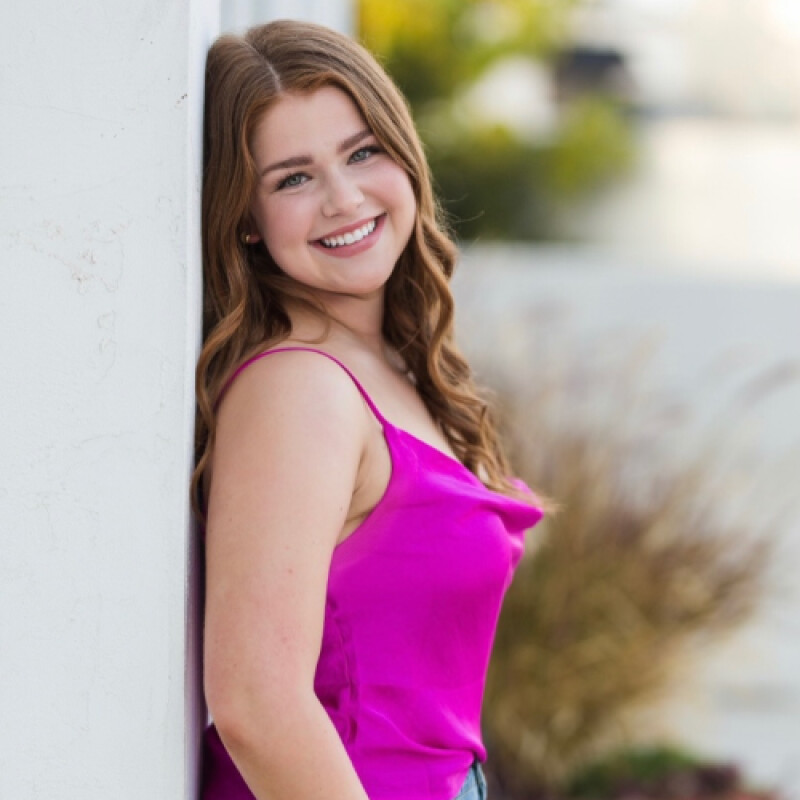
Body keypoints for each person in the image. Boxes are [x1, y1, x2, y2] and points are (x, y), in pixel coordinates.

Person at [194, 19, 544, 800]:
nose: (344, 199)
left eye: (362, 153)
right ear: (245, 217)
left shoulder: (385, 366)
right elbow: (257, 704)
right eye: (293, 178)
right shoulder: (298, 390)